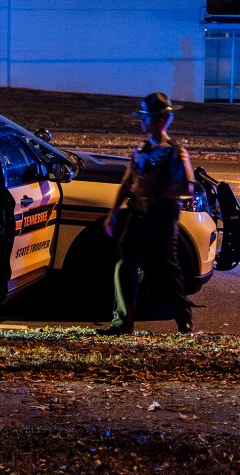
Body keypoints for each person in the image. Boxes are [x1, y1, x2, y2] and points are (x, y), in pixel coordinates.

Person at [96, 92, 195, 336]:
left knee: (166, 269)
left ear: (160, 120)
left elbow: (188, 186)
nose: (142, 122)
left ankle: (185, 323)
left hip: (161, 218)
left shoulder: (175, 152)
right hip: (137, 216)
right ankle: (121, 324)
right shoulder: (140, 150)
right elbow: (127, 181)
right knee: (124, 266)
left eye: (146, 117)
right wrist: (112, 213)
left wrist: (159, 195)